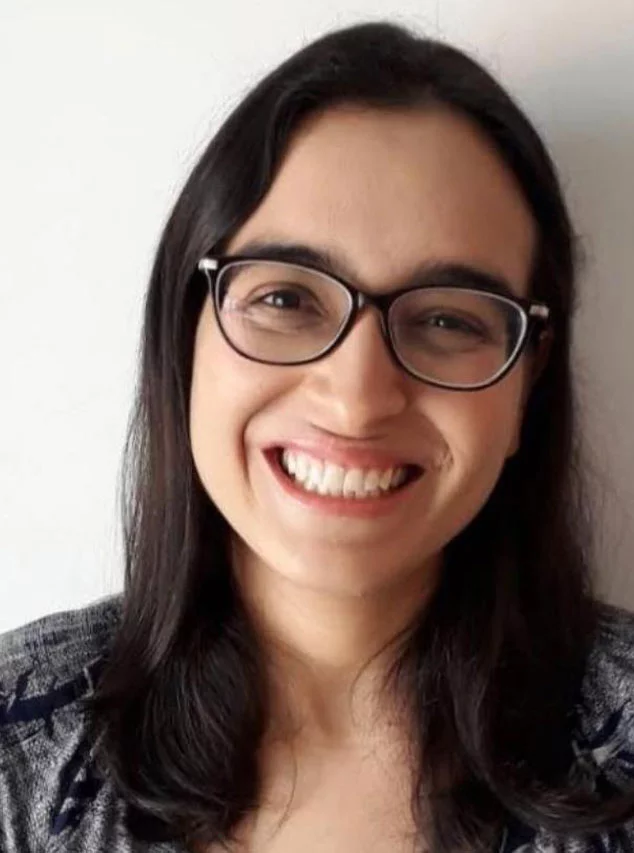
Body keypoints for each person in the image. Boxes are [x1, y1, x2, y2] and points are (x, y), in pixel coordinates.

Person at [1, 18, 633, 853]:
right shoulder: (16, 753)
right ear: (186, 336)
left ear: (528, 381)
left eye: (448, 319)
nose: (358, 400)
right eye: (287, 299)